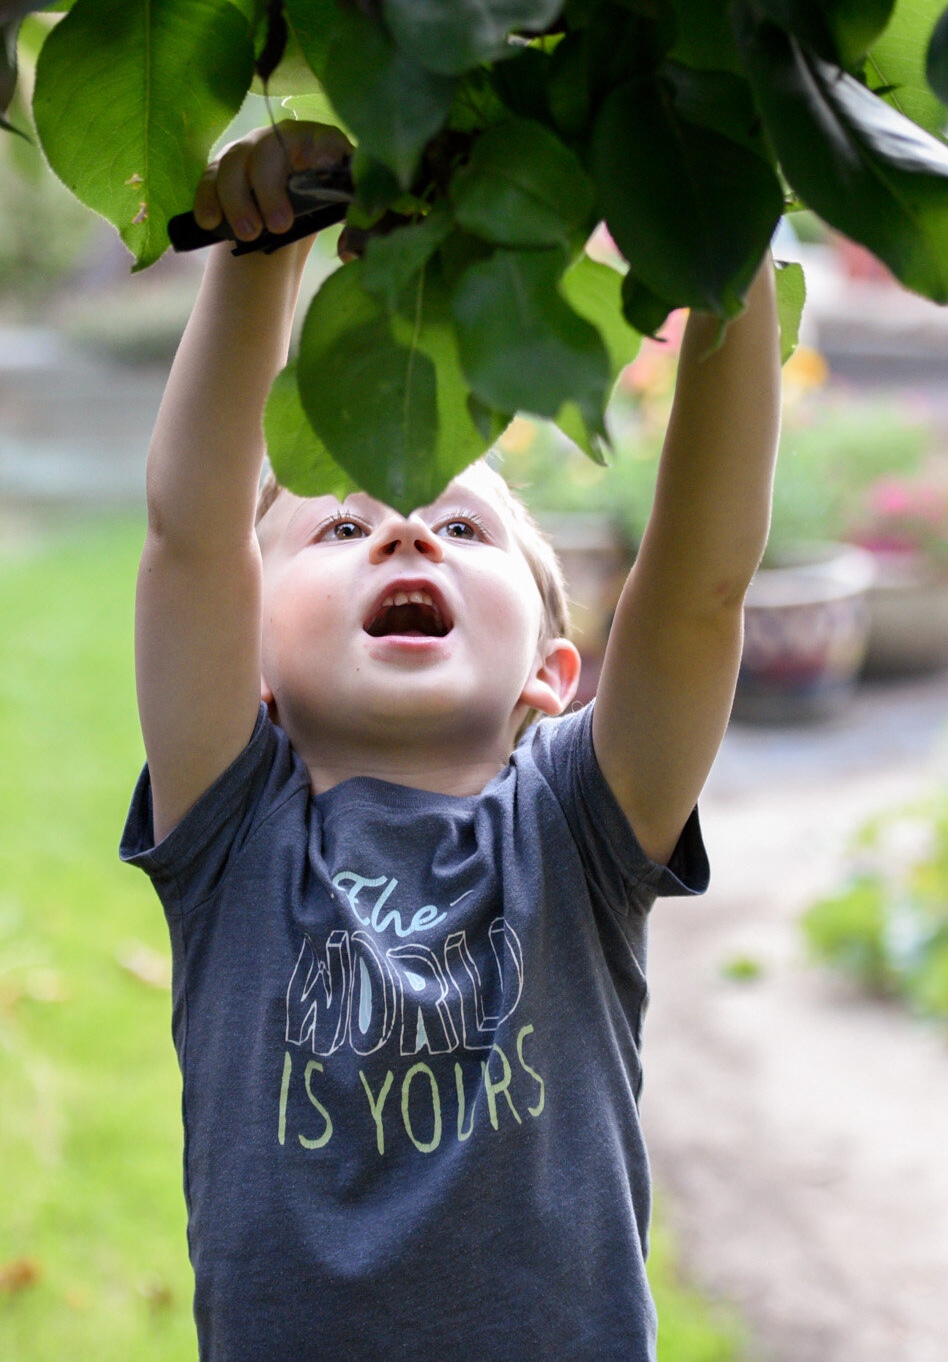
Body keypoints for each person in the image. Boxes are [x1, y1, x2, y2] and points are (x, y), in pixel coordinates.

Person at [119, 119, 780, 1360]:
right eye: (338, 526)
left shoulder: (581, 828)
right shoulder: (229, 829)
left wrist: (721, 264)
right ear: (250, 663)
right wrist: (261, 249)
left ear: (552, 671)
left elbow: (699, 587)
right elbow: (191, 534)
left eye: (465, 530)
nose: (408, 533)